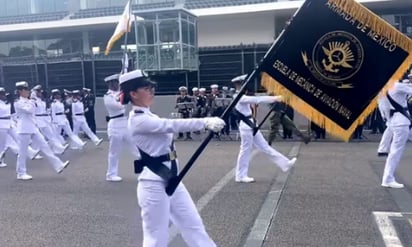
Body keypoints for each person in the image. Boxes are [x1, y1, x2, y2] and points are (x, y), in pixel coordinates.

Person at [119, 69, 224, 247]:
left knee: (194, 225)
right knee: (156, 237)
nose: (152, 90)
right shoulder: (138, 120)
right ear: (133, 94)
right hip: (153, 184)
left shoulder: (148, 114)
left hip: (172, 178)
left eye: (152, 86)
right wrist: (204, 122)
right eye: (146, 87)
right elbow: (170, 125)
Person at [231, 74, 297, 183]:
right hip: (246, 126)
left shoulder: (243, 95)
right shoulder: (239, 97)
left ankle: (285, 164)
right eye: (244, 84)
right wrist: (277, 98)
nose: (246, 86)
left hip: (251, 124)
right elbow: (259, 99)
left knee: (265, 147)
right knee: (245, 151)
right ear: (239, 85)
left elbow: (257, 100)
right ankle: (241, 175)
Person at [14, 81, 70, 180]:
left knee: (45, 146)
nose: (27, 91)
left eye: (27, 89)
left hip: (33, 127)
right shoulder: (18, 102)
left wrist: (32, 100)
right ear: (20, 91)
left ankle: (58, 165)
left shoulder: (28, 100)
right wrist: (32, 100)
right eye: (25, 90)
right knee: (22, 152)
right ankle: (21, 173)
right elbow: (29, 110)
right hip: (23, 129)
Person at [103, 74, 141, 182]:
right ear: (110, 84)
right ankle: (111, 174)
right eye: (114, 83)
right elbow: (119, 106)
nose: (116, 84)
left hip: (124, 122)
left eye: (117, 82)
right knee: (114, 151)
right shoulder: (107, 96)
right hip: (114, 124)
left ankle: (143, 170)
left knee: (136, 147)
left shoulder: (121, 93)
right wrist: (122, 95)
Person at [381, 78, 412, 188]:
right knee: (395, 152)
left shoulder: (385, 87)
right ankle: (388, 179)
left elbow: (383, 106)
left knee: (395, 151)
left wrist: (388, 119)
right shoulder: (398, 86)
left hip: (395, 120)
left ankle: (387, 178)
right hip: (402, 122)